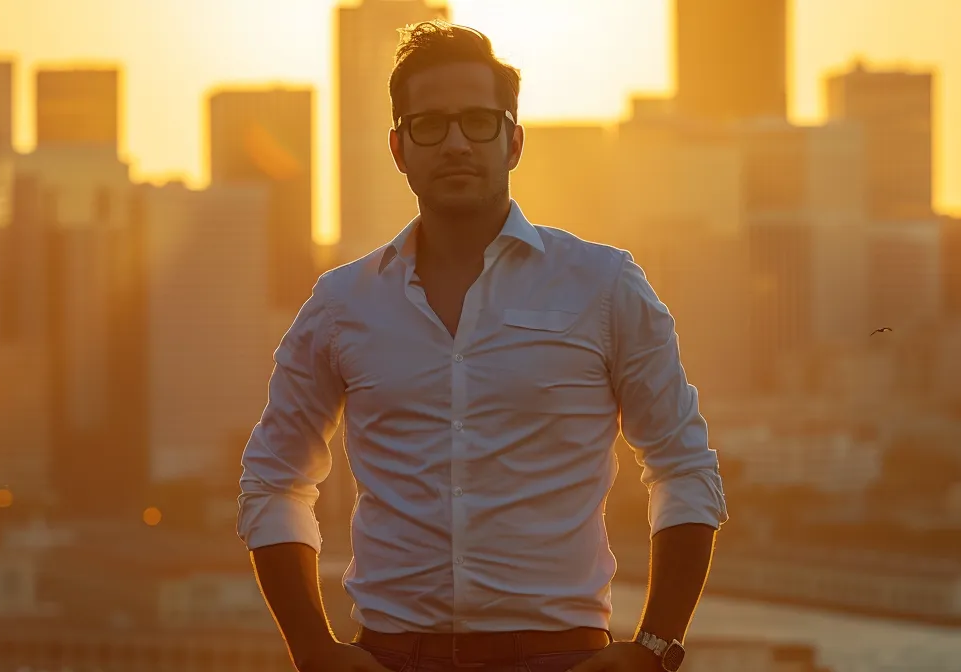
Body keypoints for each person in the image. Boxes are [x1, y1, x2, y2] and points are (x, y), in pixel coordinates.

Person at [237, 20, 728, 672]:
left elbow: (683, 467)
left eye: (479, 121)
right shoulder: (342, 305)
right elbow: (273, 481)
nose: (457, 143)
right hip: (393, 657)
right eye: (430, 125)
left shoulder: (603, 286)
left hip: (562, 657)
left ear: (514, 140)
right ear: (398, 148)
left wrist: (656, 650)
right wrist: (312, 651)